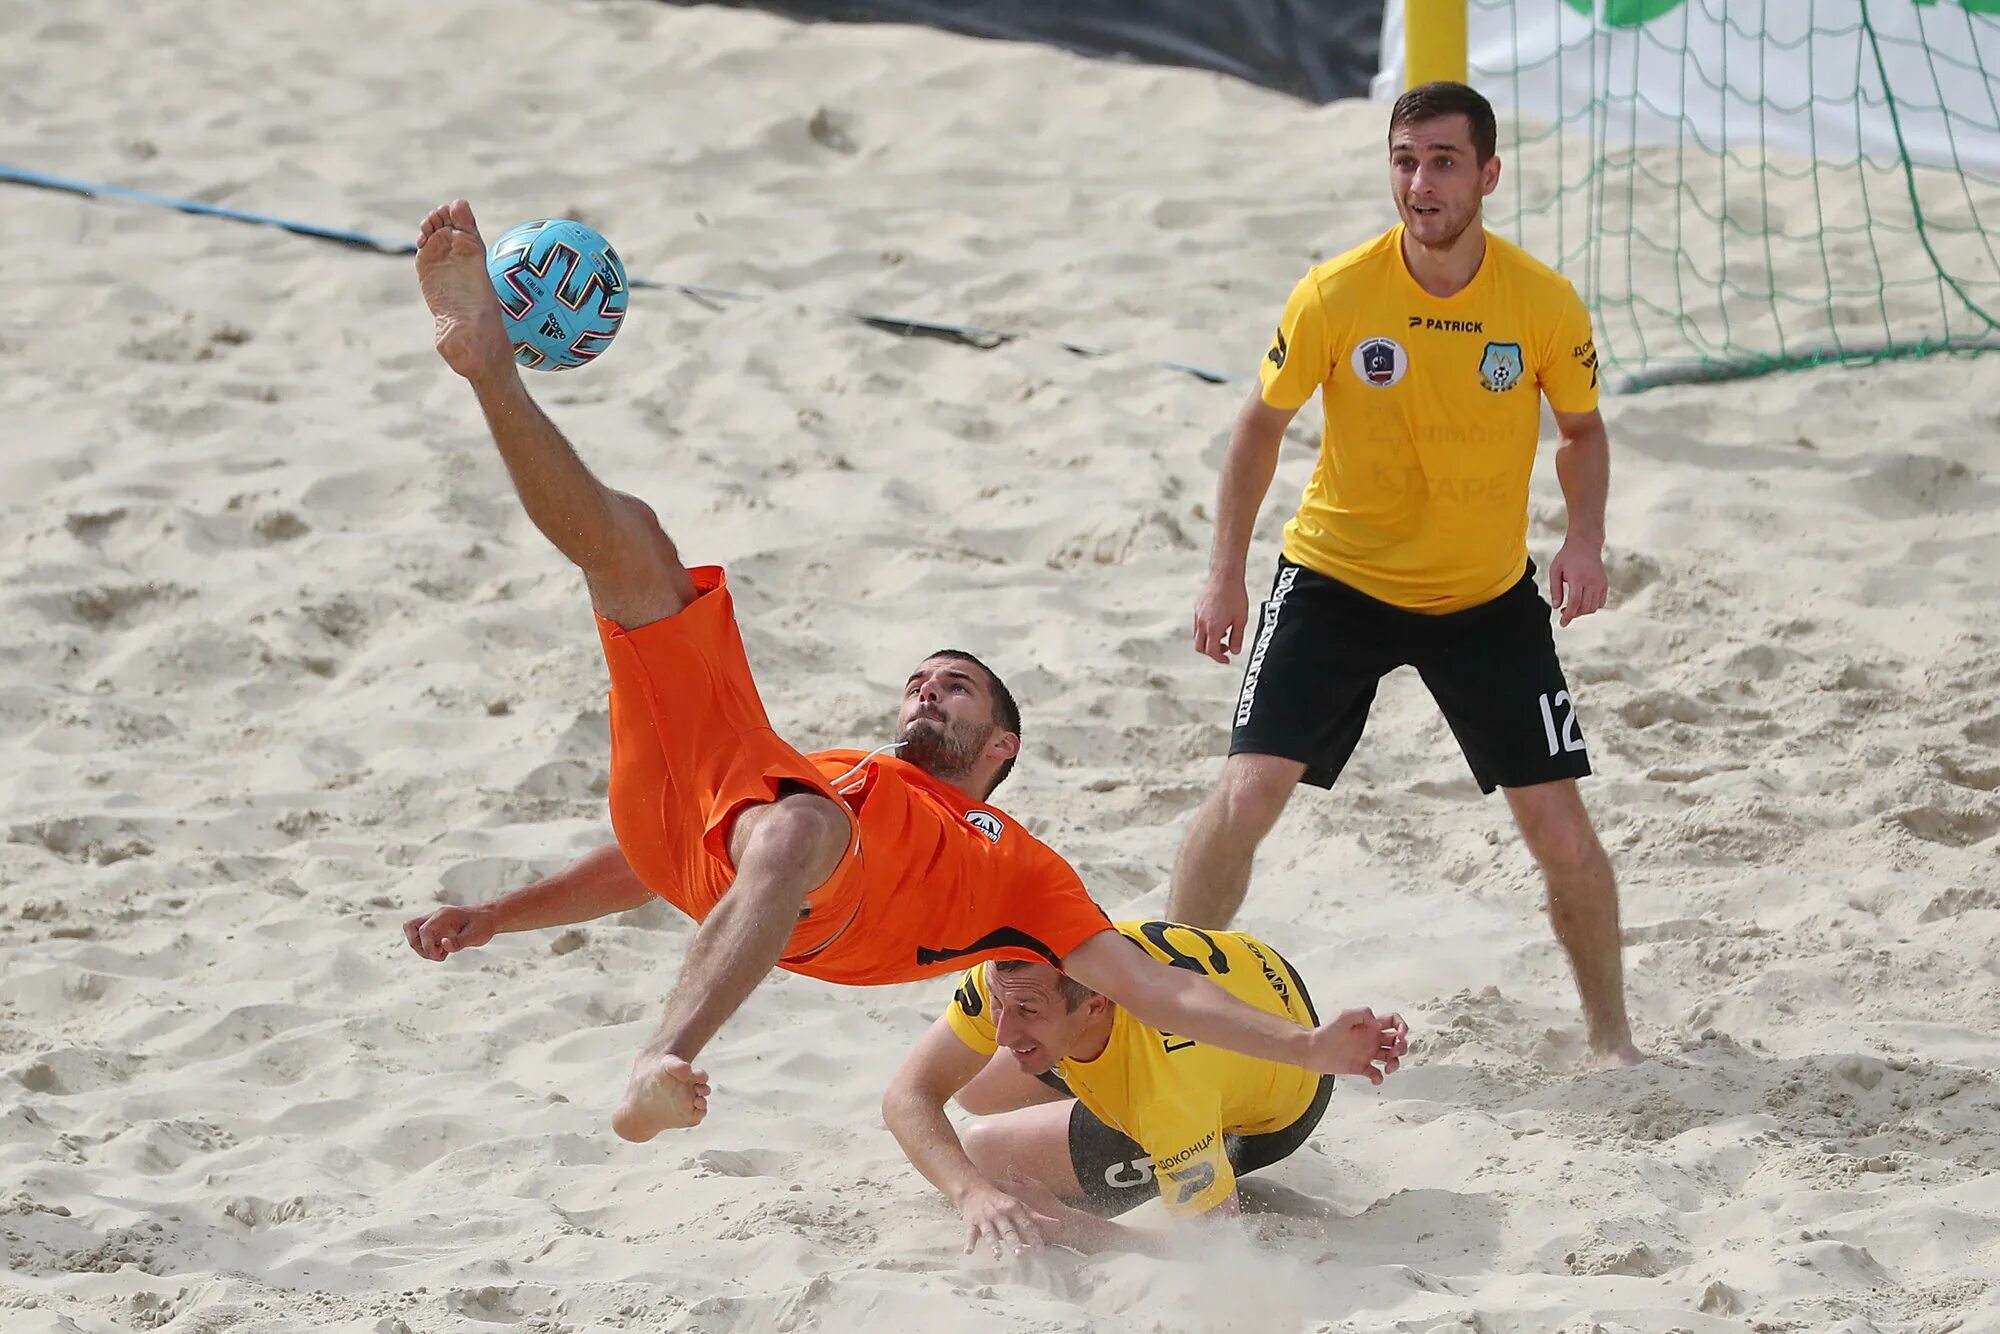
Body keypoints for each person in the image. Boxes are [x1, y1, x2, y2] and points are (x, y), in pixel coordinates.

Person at [401, 199, 1411, 1142]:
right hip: (707, 807)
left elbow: (1159, 990)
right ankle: (492, 366)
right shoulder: (838, 768)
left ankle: (663, 1055)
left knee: (795, 824)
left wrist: (1307, 1047)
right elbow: (662, 867)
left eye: (955, 685)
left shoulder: (1018, 869)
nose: (925, 689)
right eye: (918, 680)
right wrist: (501, 914)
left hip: (822, 897)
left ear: (1002, 743)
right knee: (639, 545)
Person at [1169, 81, 1644, 1067]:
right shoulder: (1336, 291)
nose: (1417, 182)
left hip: (1480, 597)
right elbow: (1259, 424)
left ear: (1487, 175)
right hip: (1333, 578)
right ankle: (1175, 1011)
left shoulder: (1539, 301)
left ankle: (1611, 1039)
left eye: (1439, 161)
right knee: (1247, 793)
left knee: (1558, 829)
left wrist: (1583, 537)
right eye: (1402, 159)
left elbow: (1581, 430)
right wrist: (1224, 573)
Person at [883, 920, 1406, 1257]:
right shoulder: (1017, 970)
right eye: (1000, 1004)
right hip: (1258, 979)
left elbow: (1213, 1251)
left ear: (1094, 1004)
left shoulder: (1166, 1095)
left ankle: (1095, 1099)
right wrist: (971, 1193)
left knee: (985, 1149)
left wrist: (1073, 1227)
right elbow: (908, 1094)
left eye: (1026, 1012)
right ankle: (1077, 1077)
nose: (1002, 1030)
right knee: (973, 1085)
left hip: (1283, 1104)